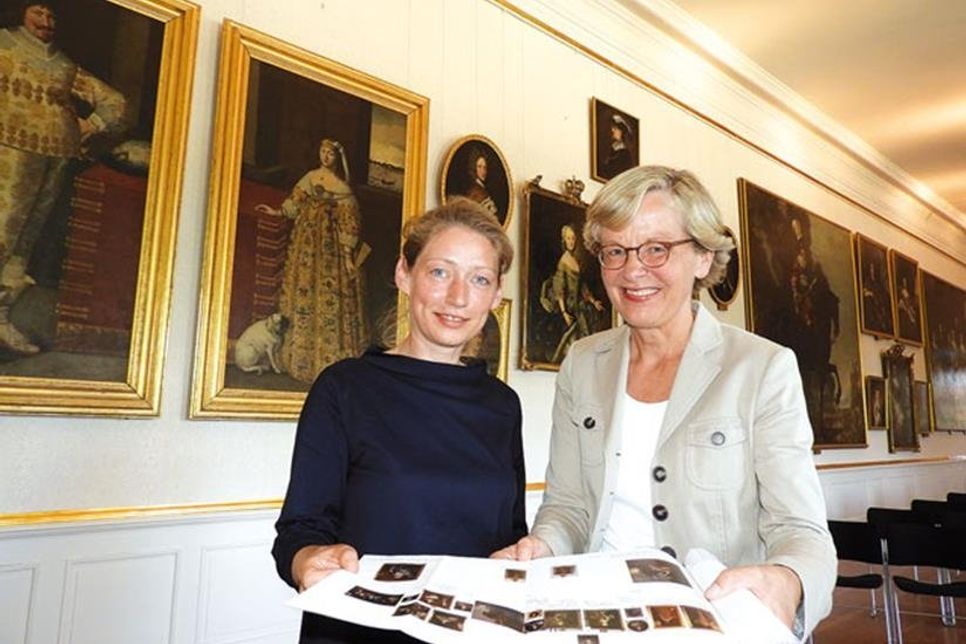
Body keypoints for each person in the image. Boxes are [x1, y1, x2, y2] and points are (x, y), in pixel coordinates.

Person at [492, 166, 836, 638]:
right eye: (615, 251)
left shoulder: (762, 368)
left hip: (712, 623)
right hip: (597, 618)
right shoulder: (582, 362)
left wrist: (788, 579)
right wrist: (541, 547)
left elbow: (802, 531)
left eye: (656, 248)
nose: (633, 270)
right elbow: (568, 506)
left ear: (702, 256)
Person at [272, 198, 527, 643]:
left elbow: (509, 532)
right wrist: (307, 558)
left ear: (496, 294)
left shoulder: (503, 404)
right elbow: (300, 530)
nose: (458, 297)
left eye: (479, 279)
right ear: (403, 275)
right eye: (440, 272)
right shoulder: (344, 388)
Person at [0, 1, 127, 353]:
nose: (46, 21)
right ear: (21, 13)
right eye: (38, 12)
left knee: (25, 245)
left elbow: (115, 104)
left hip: (56, 157)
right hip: (9, 151)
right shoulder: (4, 45)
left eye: (52, 15)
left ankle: (1, 318)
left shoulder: (66, 66)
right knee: (2, 233)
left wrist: (92, 126)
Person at [256, 138, 368, 383]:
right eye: (323, 152)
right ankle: (298, 359)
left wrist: (348, 256)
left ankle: (327, 364)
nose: (326, 157)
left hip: (330, 253)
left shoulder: (342, 187)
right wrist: (277, 212)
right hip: (306, 246)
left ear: (337, 159)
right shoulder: (310, 177)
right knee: (304, 290)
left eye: (330, 154)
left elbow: (350, 224)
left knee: (329, 298)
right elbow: (294, 202)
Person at [539, 223, 606, 362]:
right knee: (572, 339)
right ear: (564, 239)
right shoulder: (563, 261)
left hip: (579, 304)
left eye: (573, 238)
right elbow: (560, 289)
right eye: (568, 238)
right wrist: (564, 313)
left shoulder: (576, 259)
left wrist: (594, 301)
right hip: (569, 306)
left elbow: (582, 287)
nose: (571, 241)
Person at [461, 145, 498, 219]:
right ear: (474, 168)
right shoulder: (474, 191)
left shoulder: (482, 188)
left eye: (485, 167)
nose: (483, 171)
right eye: (479, 166)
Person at [599, 113, 634, 179]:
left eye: (615, 128)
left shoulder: (625, 154)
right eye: (612, 128)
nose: (612, 130)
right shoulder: (612, 149)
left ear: (622, 131)